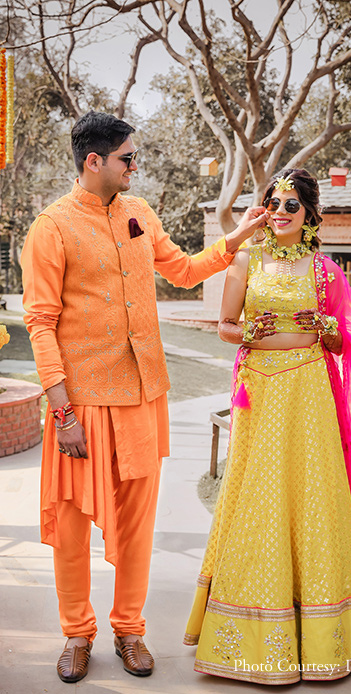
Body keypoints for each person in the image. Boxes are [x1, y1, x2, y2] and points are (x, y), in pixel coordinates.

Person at [20, 111, 269, 684]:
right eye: (127, 158)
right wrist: (62, 412)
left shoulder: (140, 213)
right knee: (72, 524)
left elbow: (182, 270)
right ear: (94, 161)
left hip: (142, 394)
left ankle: (129, 629)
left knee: (137, 523)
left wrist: (236, 238)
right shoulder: (51, 227)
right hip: (81, 403)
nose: (135, 166)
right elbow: (40, 322)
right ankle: (76, 633)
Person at [184, 168, 351, 684]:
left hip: (309, 393)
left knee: (312, 494)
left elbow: (344, 344)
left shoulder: (324, 270)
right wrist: (246, 331)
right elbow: (224, 327)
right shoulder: (245, 261)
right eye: (273, 202)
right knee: (259, 495)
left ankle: (322, 631)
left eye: (291, 204)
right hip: (261, 393)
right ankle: (253, 626)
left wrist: (325, 327)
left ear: (309, 213)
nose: (279, 211)